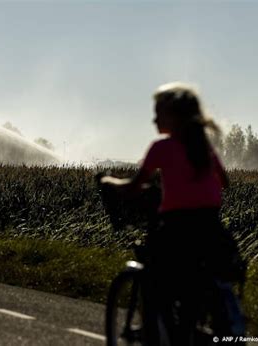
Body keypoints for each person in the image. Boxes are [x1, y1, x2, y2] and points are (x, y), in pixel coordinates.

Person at [100, 82, 242, 345]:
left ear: (175, 117)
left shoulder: (161, 148)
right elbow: (224, 181)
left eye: (159, 112)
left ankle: (159, 334)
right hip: (212, 229)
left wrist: (110, 182)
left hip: (175, 229)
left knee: (156, 280)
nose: (154, 118)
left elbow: (134, 186)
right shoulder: (203, 148)